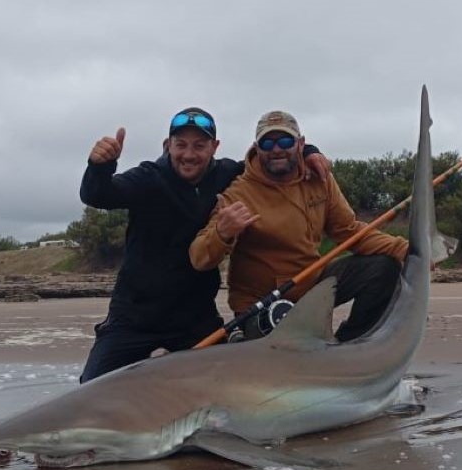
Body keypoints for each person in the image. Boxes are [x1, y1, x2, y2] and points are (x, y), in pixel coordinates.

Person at [78, 107, 331, 382]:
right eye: (181, 145)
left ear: (214, 147)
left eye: (199, 146)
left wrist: (309, 152)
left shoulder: (227, 174)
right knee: (90, 388)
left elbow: (268, 161)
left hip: (194, 319)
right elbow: (98, 195)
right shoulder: (148, 178)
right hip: (134, 317)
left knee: (235, 388)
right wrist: (100, 167)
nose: (189, 154)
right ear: (168, 145)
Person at [190, 110, 408, 342]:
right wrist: (222, 233)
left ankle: (350, 344)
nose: (276, 149)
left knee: (383, 267)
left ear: (301, 144)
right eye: (267, 143)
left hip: (312, 285)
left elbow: (350, 231)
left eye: (285, 141)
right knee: (283, 352)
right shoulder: (238, 194)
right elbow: (199, 258)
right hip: (262, 303)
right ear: (256, 148)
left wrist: (407, 250)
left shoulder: (319, 177)